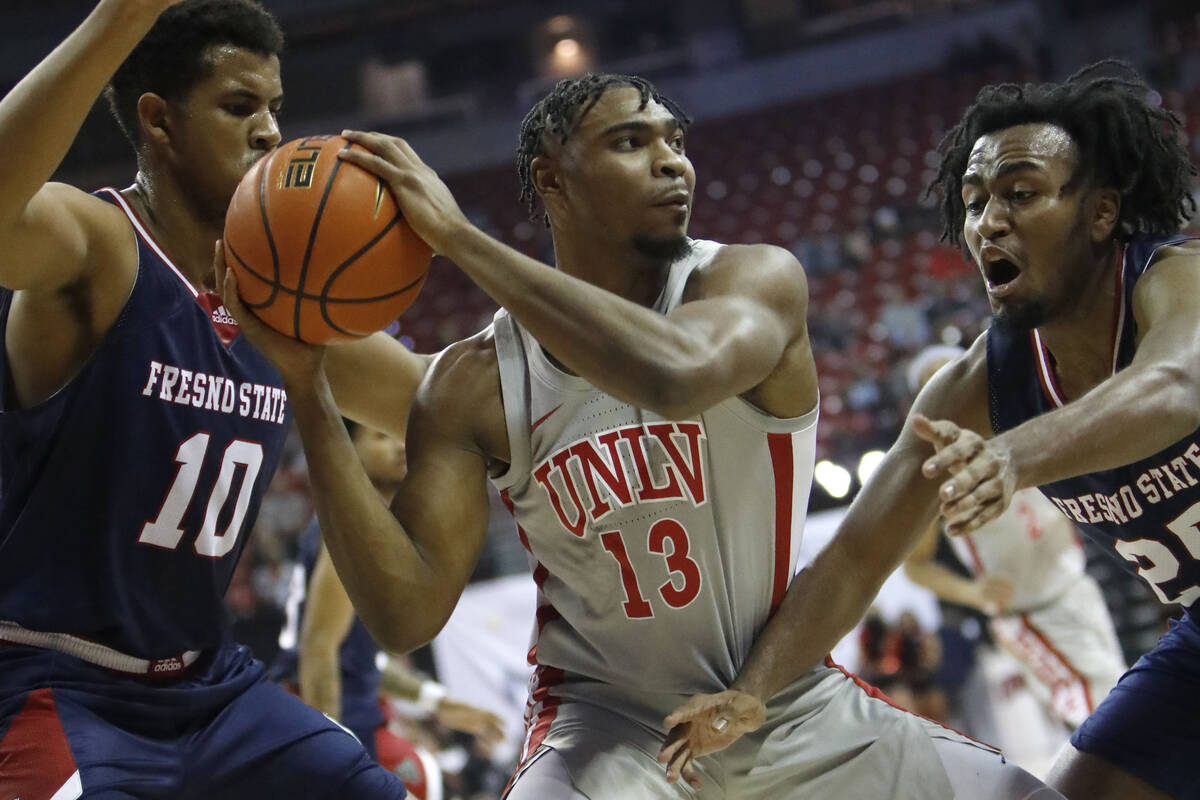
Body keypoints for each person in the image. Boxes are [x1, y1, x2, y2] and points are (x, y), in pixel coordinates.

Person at [222, 72, 1056, 799]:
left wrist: (459, 241)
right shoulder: (471, 382)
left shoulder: (750, 278)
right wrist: (307, 391)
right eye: (631, 141)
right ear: (553, 178)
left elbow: (675, 373)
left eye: (674, 139)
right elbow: (405, 616)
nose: (672, 159)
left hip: (784, 697)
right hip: (605, 728)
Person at [660, 62, 1199, 800]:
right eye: (974, 203)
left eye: (1021, 193)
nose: (989, 222)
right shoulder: (984, 382)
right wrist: (751, 694)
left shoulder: (1173, 279)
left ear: (1101, 212)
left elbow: (1175, 386)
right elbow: (856, 555)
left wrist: (1011, 455)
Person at [0, 2, 425, 796]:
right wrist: (119, 19)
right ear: (158, 123)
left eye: (274, 108)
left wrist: (463, 242)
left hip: (211, 688)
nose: (270, 131)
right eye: (240, 106)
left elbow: (448, 399)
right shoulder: (99, 243)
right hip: (55, 678)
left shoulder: (279, 301)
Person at [270, 419, 506, 795]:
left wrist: (437, 702)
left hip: (341, 709)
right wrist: (329, 757)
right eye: (382, 437)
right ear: (350, 452)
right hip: (321, 711)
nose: (399, 446)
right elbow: (319, 650)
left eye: (402, 436)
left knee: (425, 779)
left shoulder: (372, 522)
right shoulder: (353, 527)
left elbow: (356, 657)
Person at [902, 345, 1126, 730]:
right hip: (1027, 613)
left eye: (952, 373)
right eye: (933, 382)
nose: (949, 388)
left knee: (1119, 700)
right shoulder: (937, 472)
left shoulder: (1021, 420)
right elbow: (915, 566)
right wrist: (972, 593)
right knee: (1110, 716)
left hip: (1076, 588)